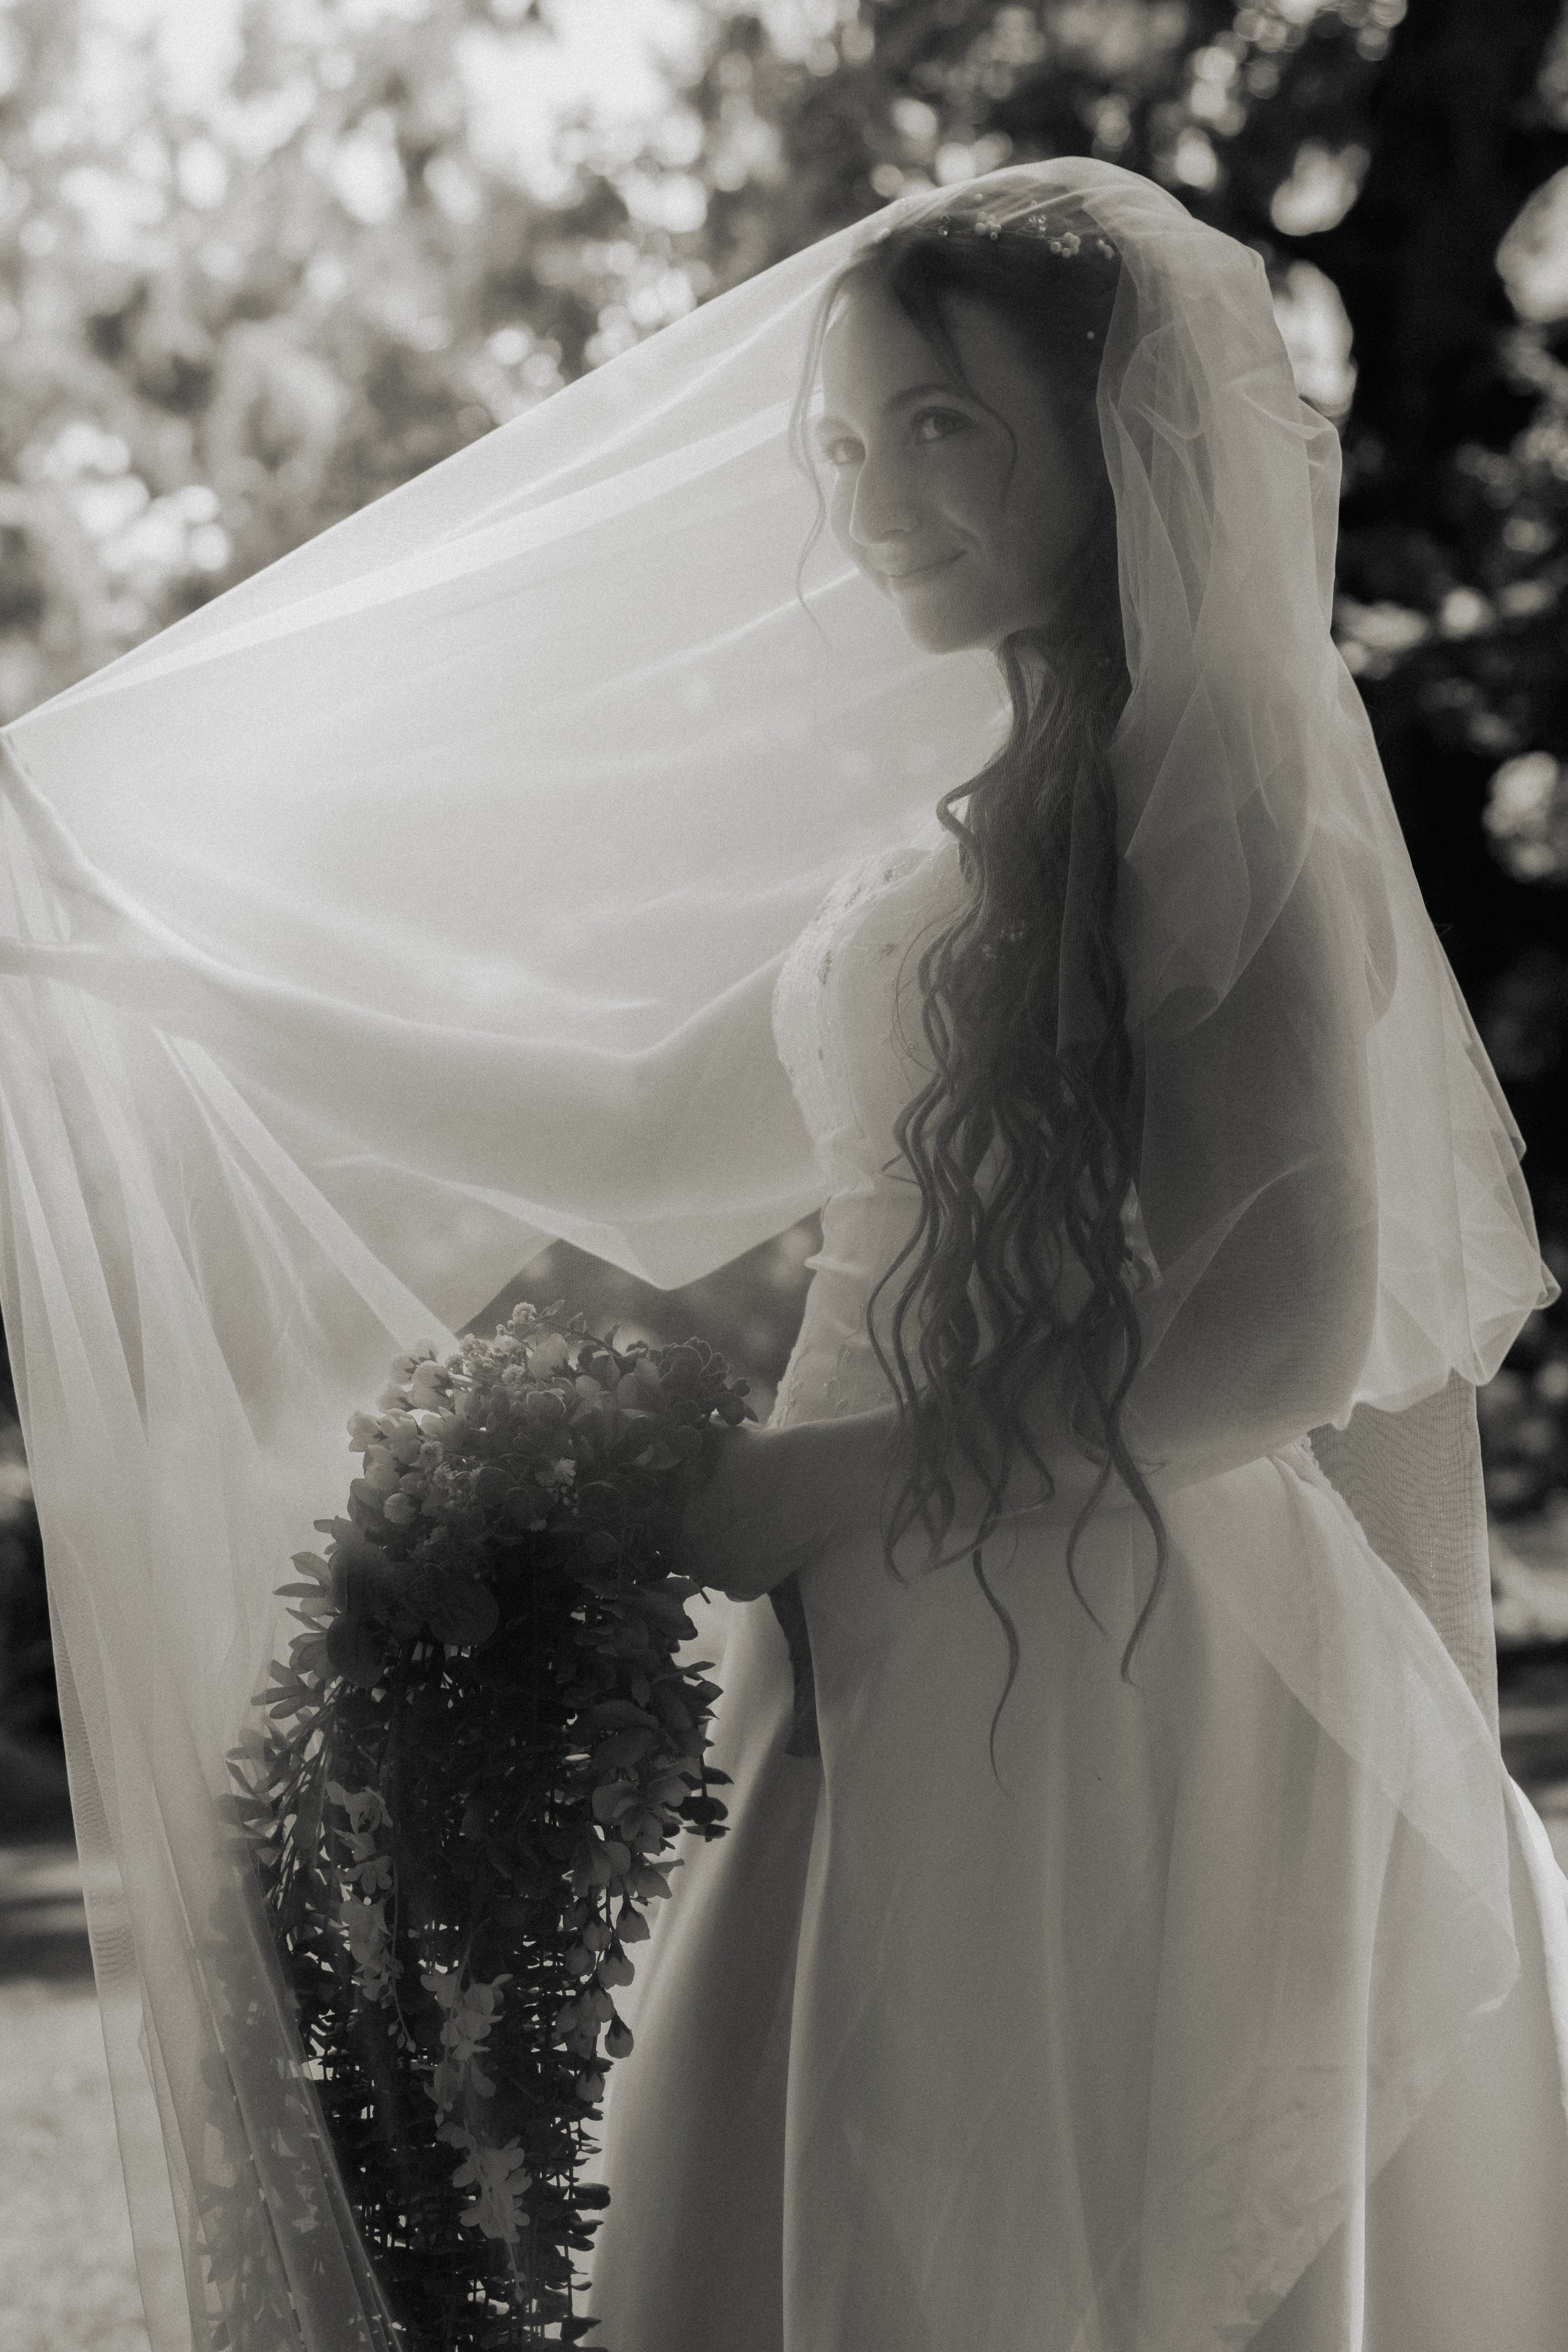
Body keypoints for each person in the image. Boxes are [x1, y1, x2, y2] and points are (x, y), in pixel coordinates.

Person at [0, 158, 1563, 2351]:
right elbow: (639, 1130)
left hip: (1126, 1684)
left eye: (943, 426)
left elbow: (1281, 1345)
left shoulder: (1216, 811)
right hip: (895, 1636)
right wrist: (170, 985)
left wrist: (810, 1485)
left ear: (1121, 446)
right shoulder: (977, 839)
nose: (877, 494)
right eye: (845, 443)